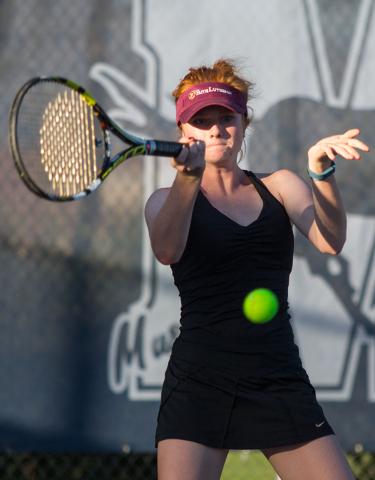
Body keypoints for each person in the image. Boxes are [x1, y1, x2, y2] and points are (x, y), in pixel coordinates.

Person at [144, 59, 369, 480]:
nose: (215, 129)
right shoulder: (164, 199)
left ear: (245, 123)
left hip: (277, 374)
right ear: (183, 132)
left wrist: (322, 174)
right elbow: (167, 249)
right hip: (199, 379)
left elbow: (330, 239)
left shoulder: (281, 185)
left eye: (226, 118)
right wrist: (187, 181)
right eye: (202, 121)